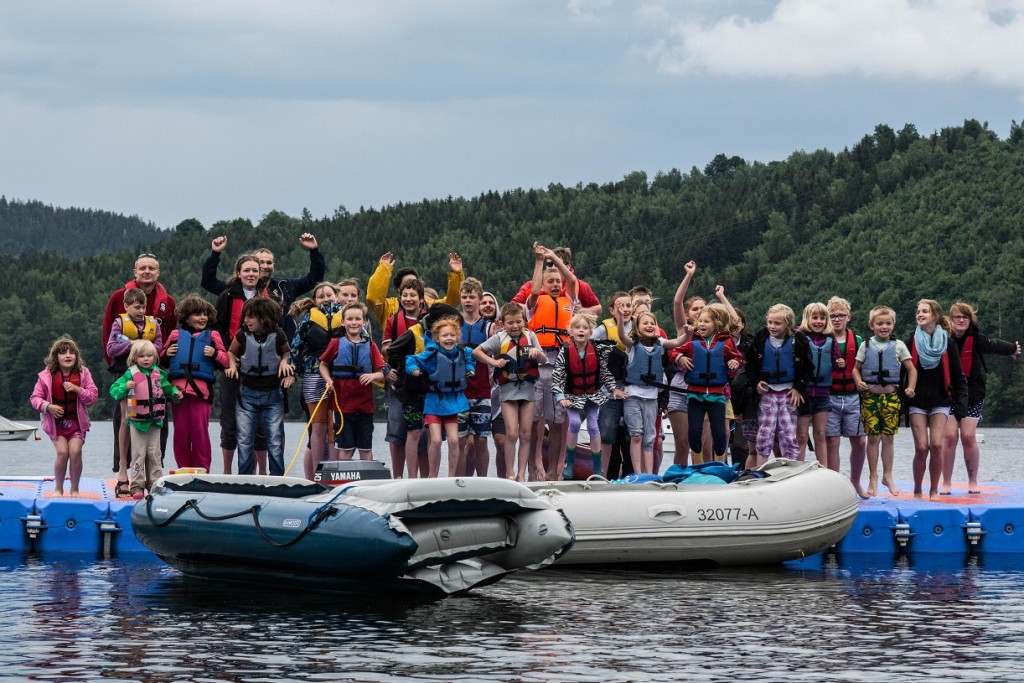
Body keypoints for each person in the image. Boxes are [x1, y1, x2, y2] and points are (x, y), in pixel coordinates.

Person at [100, 253, 176, 482]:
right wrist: (115, 364)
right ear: (135, 272)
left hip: (155, 372)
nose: (147, 271)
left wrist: (163, 366)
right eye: (142, 268)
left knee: (158, 420)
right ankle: (122, 471)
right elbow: (107, 332)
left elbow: (170, 335)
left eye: (151, 268)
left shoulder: (168, 302)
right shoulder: (118, 297)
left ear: (158, 272)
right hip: (125, 370)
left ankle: (154, 473)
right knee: (123, 420)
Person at [942, 302, 1021, 494]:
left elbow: (994, 344)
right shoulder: (942, 339)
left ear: (970, 321)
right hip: (949, 394)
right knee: (950, 437)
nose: (961, 320)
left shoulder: (976, 339)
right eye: (957, 317)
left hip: (973, 394)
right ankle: (946, 482)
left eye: (965, 317)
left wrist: (1012, 348)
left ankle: (973, 481)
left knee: (968, 437)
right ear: (950, 321)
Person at [473, 302, 546, 481]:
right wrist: (494, 363)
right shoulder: (499, 338)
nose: (515, 326)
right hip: (508, 391)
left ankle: (521, 474)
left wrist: (537, 353)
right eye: (511, 323)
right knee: (511, 433)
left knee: (526, 434)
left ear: (524, 321)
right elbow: (476, 352)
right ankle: (509, 473)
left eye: (518, 322)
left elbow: (543, 360)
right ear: (503, 323)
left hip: (528, 390)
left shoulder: (531, 336)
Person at [202, 233, 325, 339]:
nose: (265, 266)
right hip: (237, 351)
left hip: (278, 351)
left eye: (269, 262)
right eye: (261, 262)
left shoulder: (285, 287)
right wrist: (215, 254)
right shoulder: (232, 290)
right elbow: (208, 282)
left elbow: (314, 279)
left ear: (274, 265)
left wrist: (314, 251)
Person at [387, 303, 459, 477]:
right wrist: (410, 371)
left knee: (431, 435)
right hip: (412, 392)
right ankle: (412, 476)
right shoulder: (414, 332)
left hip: (433, 392)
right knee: (414, 432)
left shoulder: (446, 337)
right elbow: (392, 352)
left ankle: (429, 476)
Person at [224, 297, 295, 476]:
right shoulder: (242, 335)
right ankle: (245, 479)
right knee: (245, 440)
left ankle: (278, 479)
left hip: (273, 395)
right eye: (246, 316)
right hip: (246, 394)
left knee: (275, 440)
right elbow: (231, 352)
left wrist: (285, 362)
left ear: (264, 318)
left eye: (251, 317)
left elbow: (286, 351)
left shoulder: (278, 334)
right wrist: (232, 366)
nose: (247, 320)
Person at [905, 299, 968, 501]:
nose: (920, 314)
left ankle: (933, 490)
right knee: (922, 447)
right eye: (918, 311)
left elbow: (958, 377)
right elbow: (901, 374)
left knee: (937, 445)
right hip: (917, 401)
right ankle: (917, 490)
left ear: (936, 316)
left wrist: (961, 405)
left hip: (941, 400)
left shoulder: (947, 344)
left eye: (924, 311)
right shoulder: (910, 342)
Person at [526, 243, 578, 480]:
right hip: (538, 364)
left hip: (560, 366)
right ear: (544, 284)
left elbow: (574, 283)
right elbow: (534, 291)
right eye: (551, 282)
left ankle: (554, 470)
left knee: (557, 421)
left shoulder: (571, 302)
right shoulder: (535, 301)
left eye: (559, 281)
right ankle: (532, 469)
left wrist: (557, 263)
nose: (556, 285)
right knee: (534, 420)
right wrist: (540, 261)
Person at [853, 305, 917, 497]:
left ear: (893, 324)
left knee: (888, 438)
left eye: (888, 323)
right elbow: (856, 368)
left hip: (891, 398)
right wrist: (858, 381)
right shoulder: (865, 345)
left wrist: (911, 387)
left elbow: (912, 369)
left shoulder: (899, 346)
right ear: (872, 325)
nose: (884, 327)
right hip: (870, 398)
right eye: (880, 323)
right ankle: (873, 476)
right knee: (873, 439)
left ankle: (888, 476)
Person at [105, 288, 164, 494]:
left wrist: (143, 347)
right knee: (125, 420)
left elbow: (158, 346)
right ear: (127, 307)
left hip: (148, 378)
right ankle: (123, 469)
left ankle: (152, 477)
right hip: (127, 377)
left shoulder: (153, 323)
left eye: (143, 307)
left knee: (152, 417)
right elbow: (111, 349)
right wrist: (133, 344)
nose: (140, 311)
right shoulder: (119, 323)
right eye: (136, 307)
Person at [162, 294, 229, 473]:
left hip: (201, 393)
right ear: (186, 317)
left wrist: (214, 354)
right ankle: (183, 470)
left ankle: (202, 470)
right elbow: (161, 360)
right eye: (197, 314)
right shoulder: (176, 334)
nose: (202, 318)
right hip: (177, 393)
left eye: (205, 314)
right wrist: (166, 353)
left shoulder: (213, 336)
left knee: (200, 434)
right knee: (181, 433)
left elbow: (226, 361)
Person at [215, 253, 269, 474]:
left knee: (260, 426)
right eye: (246, 270)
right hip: (232, 368)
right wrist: (229, 357)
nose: (251, 274)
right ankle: (228, 472)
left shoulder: (267, 298)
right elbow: (218, 329)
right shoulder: (226, 296)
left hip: (260, 372)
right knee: (229, 423)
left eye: (254, 270)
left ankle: (261, 475)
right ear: (238, 273)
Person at [552, 313, 622, 479]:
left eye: (585, 328)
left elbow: (604, 372)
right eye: (577, 328)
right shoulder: (565, 350)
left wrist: (613, 388)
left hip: (591, 395)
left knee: (593, 426)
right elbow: (557, 375)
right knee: (575, 423)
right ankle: (569, 464)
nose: (581, 330)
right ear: (571, 331)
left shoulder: (597, 350)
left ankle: (597, 468)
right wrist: (560, 396)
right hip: (571, 395)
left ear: (590, 332)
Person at [109, 340, 182, 499]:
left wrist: (176, 394)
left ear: (155, 357)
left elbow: (168, 389)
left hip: (155, 422)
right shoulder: (130, 374)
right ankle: (136, 486)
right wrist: (125, 386)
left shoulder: (159, 374)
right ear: (135, 358)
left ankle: (154, 484)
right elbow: (114, 390)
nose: (146, 359)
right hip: (137, 423)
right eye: (142, 356)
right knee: (138, 454)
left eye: (149, 355)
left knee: (154, 454)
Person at [407, 315, 477, 477]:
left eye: (452, 335)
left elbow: (471, 356)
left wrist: (470, 368)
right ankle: (432, 475)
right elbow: (411, 360)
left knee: (454, 441)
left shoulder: (462, 351)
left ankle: (451, 476)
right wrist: (414, 370)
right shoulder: (431, 354)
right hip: (434, 403)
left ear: (458, 337)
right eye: (445, 336)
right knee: (436, 440)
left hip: (453, 403)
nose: (449, 339)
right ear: (437, 338)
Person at [30, 336, 99, 497]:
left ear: (76, 356)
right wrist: (48, 407)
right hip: (56, 424)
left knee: (75, 451)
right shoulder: (46, 376)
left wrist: (77, 389)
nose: (68, 355)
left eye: (71, 352)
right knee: (62, 452)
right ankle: (58, 489)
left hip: (77, 423)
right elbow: (35, 398)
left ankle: (74, 489)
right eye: (63, 353)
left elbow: (93, 396)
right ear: (56, 357)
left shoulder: (84, 373)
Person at [620, 310, 688, 474]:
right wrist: (621, 321)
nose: (649, 326)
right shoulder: (632, 344)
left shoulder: (660, 343)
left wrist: (687, 333)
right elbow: (622, 337)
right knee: (636, 436)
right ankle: (638, 473)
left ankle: (649, 475)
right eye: (645, 323)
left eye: (652, 323)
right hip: (633, 395)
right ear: (637, 327)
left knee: (650, 439)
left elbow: (678, 341)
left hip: (651, 396)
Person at [673, 303, 742, 463]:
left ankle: (719, 465)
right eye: (700, 321)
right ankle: (698, 466)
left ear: (717, 324)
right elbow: (674, 351)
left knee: (719, 434)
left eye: (706, 321)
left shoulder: (727, 342)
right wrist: (680, 358)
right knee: (694, 433)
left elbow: (738, 357)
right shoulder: (692, 340)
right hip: (695, 396)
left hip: (717, 396)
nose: (702, 324)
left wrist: (734, 361)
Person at [319, 302, 387, 462]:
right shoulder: (336, 343)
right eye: (350, 319)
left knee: (365, 448)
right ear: (343, 322)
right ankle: (344, 482)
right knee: (345, 447)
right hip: (343, 406)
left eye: (358, 319)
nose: (354, 322)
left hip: (365, 406)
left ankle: (367, 482)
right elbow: (323, 365)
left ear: (364, 322)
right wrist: (328, 380)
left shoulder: (370, 346)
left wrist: (372, 376)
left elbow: (382, 373)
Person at [745, 304, 812, 466]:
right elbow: (750, 366)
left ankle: (790, 470)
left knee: (789, 434)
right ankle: (761, 469)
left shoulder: (799, 341)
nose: (772, 327)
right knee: (764, 434)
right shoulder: (761, 338)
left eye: (777, 323)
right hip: (767, 393)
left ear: (787, 324)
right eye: (770, 322)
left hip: (789, 394)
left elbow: (808, 368)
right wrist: (756, 382)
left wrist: (798, 388)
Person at [290, 283, 344, 478]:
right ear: (314, 301)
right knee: (318, 426)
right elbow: (296, 346)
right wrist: (293, 370)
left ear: (337, 296)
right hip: (314, 372)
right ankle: (317, 474)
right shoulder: (309, 318)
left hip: (341, 376)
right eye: (320, 296)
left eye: (329, 294)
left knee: (335, 427)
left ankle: (334, 474)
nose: (325, 298)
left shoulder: (348, 316)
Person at [825, 297, 869, 498]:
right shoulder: (822, 340)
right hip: (830, 396)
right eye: (832, 316)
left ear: (848, 317)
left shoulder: (858, 341)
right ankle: (834, 487)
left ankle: (855, 481)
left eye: (840, 316)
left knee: (860, 441)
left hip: (852, 397)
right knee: (832, 442)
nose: (836, 319)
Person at [797, 302, 842, 469]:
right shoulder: (799, 337)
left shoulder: (830, 339)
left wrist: (840, 363)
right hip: (804, 393)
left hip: (822, 393)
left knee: (820, 434)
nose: (818, 321)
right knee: (801, 436)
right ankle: (797, 470)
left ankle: (823, 470)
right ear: (807, 319)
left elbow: (836, 363)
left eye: (822, 318)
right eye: (814, 317)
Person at [367, 251, 465, 327]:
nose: (412, 286)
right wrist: (384, 269)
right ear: (398, 290)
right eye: (407, 284)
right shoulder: (388, 308)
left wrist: (456, 274)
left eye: (415, 283)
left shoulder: (431, 306)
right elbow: (373, 298)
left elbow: (453, 301)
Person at [460, 277, 494, 476]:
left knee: (481, 439)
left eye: (472, 297)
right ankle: (459, 482)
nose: (467, 301)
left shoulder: (489, 327)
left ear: (479, 299)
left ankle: (483, 481)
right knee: (462, 440)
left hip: (482, 390)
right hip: (459, 392)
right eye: (464, 297)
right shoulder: (454, 325)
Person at [511, 246, 602, 316]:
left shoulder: (581, 286)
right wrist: (533, 309)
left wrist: (583, 311)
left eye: (557, 263)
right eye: (550, 264)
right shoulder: (531, 285)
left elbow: (599, 309)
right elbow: (512, 306)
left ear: (568, 267)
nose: (553, 267)